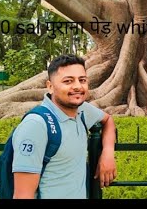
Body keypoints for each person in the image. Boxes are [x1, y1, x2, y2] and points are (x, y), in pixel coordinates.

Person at [11, 54, 117, 199]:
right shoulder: (36, 126)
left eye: (82, 80)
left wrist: (108, 153)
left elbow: (108, 120)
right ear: (50, 86)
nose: (78, 86)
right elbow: (23, 195)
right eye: (68, 81)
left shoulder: (82, 110)